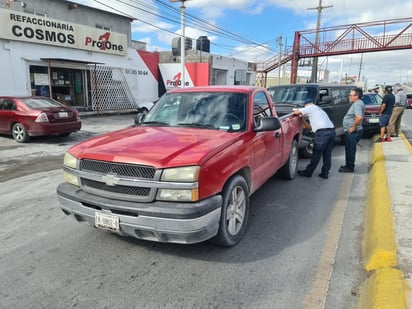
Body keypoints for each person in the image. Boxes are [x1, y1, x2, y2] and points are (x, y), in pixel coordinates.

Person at [293, 102, 336, 179]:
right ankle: (325, 173)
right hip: (331, 132)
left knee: (317, 153)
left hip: (323, 133)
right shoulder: (319, 110)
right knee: (327, 154)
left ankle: (308, 172)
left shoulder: (311, 107)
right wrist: (303, 119)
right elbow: (310, 128)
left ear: (307, 105)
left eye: (304, 107)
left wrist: (299, 112)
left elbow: (296, 112)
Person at [339, 87, 365, 173]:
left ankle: (350, 167)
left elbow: (359, 117)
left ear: (356, 96)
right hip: (352, 131)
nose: (349, 96)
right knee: (349, 148)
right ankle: (348, 165)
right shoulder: (357, 103)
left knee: (350, 149)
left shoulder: (357, 104)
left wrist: (353, 127)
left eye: (351, 95)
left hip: (353, 132)